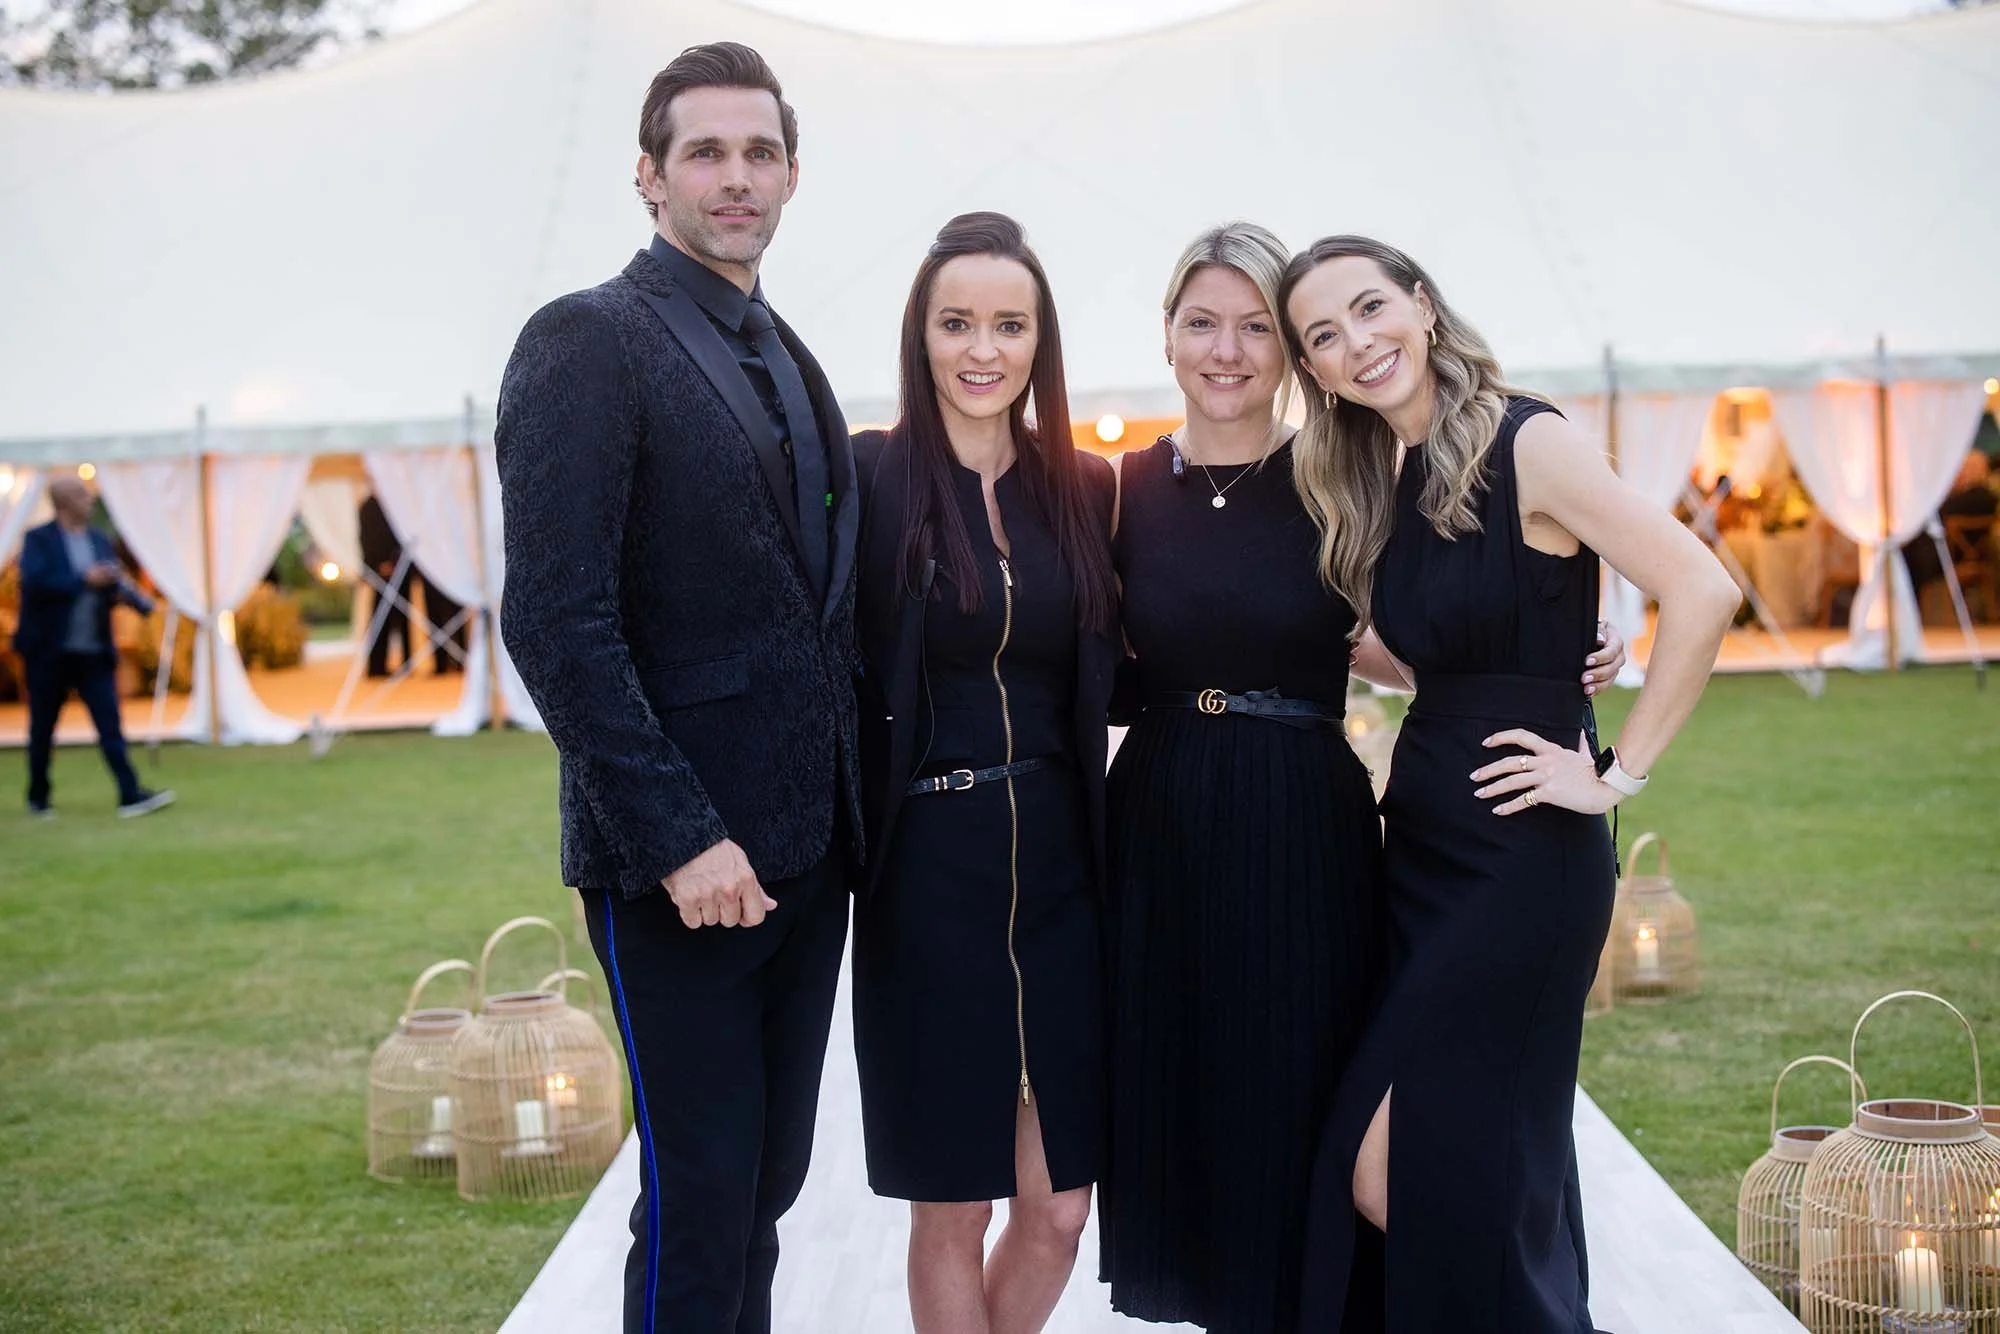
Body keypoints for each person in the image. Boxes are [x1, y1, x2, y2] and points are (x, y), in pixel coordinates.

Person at [1097, 224, 1624, 1334]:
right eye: (1203, 322)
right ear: (1166, 336)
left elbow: (1402, 629)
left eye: (1255, 328)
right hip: (1164, 821)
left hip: (1307, 824)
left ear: (1288, 357)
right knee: (1194, 1104)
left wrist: (1557, 647)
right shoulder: (1121, 490)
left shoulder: (1339, 475)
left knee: (1311, 1110)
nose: (1227, 349)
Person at [1279, 235, 1738, 1332]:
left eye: (1369, 307)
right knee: (1479, 1165)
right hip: (1424, 849)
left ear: (1423, 306)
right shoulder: (1376, 473)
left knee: (1408, 1170)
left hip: (1521, 860)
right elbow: (1423, 657)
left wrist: (1614, 774)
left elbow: (1701, 586)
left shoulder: (1529, 440)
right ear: (1318, 370)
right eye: (1323, 336)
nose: (1356, 342)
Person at [495, 43, 860, 1334]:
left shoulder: (789, 349)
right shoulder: (589, 338)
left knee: (767, 1180)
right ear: (649, 177)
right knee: (702, 1190)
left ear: (794, 173)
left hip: (810, 851)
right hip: (680, 862)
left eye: (760, 152)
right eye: (705, 151)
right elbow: (553, 618)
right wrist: (681, 837)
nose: (737, 177)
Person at [851, 212, 1120, 1334]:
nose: (981, 348)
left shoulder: (1089, 488)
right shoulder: (869, 477)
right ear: (920, 333)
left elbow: (1199, 619)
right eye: (956, 321)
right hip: (929, 874)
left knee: (1057, 1205)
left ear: (1038, 342)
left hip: (1064, 868)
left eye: (1008, 324)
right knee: (951, 1206)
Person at [14, 475, 175, 819]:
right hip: (49, 651)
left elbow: (112, 580)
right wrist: (83, 580)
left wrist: (144, 604)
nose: (89, 501)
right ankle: (38, 797)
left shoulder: (98, 539)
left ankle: (129, 794)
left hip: (94, 649)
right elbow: (35, 582)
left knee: (110, 725)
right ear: (64, 502)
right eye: (82, 496)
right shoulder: (39, 540)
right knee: (43, 727)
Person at [357, 494, 414, 679]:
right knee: (380, 620)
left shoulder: (398, 502)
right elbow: (366, 538)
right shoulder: (369, 506)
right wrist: (377, 564)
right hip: (381, 571)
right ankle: (376, 666)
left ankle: (407, 663)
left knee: (403, 618)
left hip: (400, 567)